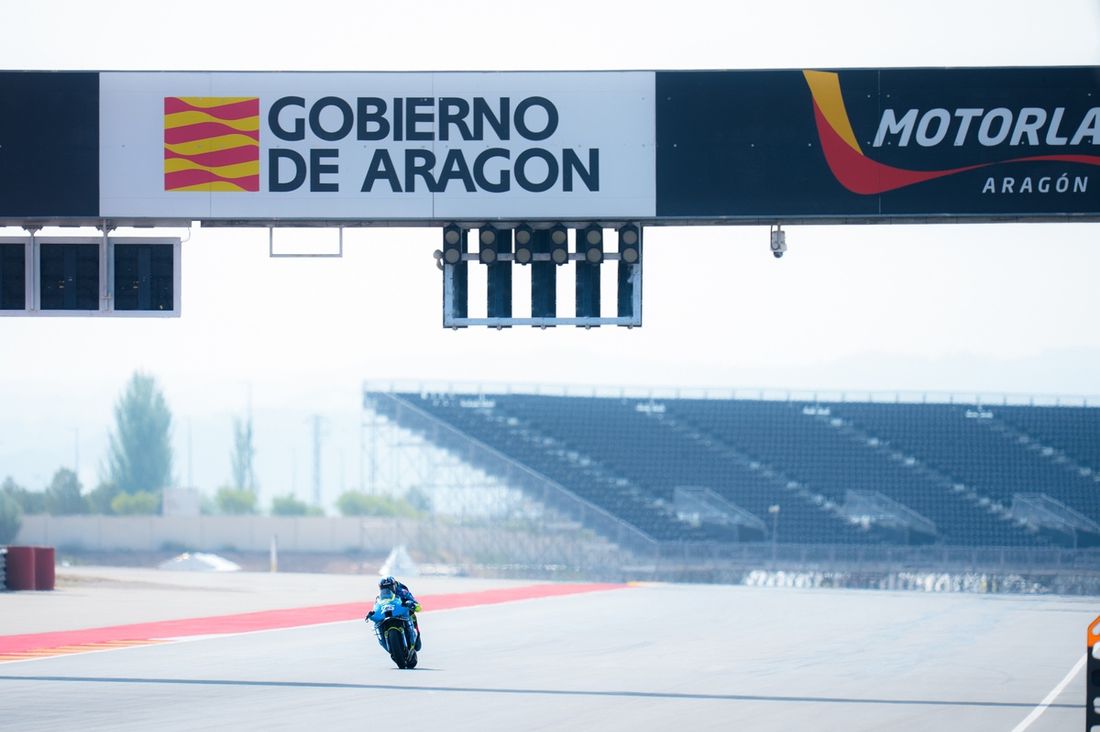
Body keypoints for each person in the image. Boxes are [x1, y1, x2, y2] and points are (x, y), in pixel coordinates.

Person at [366, 575, 422, 650]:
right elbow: (376, 607)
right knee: (378, 622)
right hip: (389, 612)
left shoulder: (402, 592)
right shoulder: (379, 597)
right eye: (384, 588)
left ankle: (416, 634)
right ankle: (386, 640)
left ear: (394, 586)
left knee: (412, 614)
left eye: (389, 587)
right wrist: (373, 613)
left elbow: (416, 604)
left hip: (401, 609)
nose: (387, 590)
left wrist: (413, 605)